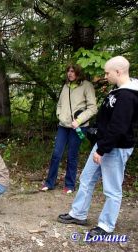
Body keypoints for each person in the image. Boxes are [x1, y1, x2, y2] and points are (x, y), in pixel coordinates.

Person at [58, 56, 138, 237]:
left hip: (115, 148)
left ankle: (106, 226)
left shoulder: (127, 96)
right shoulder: (117, 91)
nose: (105, 75)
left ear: (119, 72)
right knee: (86, 179)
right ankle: (78, 214)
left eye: (107, 72)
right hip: (102, 144)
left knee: (112, 188)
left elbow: (119, 127)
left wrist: (102, 150)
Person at [41, 64, 97, 193]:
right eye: (68, 71)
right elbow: (60, 104)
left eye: (72, 71)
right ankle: (49, 183)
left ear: (78, 73)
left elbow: (93, 108)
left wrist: (78, 120)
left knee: (72, 155)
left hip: (78, 127)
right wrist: (60, 116)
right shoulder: (66, 86)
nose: (70, 74)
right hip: (63, 126)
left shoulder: (87, 86)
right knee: (56, 154)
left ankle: (70, 185)